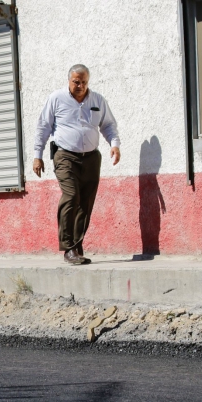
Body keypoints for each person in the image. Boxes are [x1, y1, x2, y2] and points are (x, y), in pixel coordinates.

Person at [34, 64, 121, 264]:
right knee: (71, 195)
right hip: (65, 156)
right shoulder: (56, 99)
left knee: (85, 203)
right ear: (69, 80)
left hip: (91, 157)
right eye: (76, 82)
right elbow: (43, 127)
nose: (80, 86)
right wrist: (37, 155)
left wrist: (114, 145)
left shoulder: (97, 100)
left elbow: (108, 125)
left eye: (84, 82)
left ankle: (78, 245)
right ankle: (68, 248)